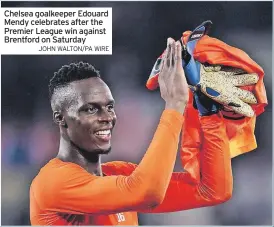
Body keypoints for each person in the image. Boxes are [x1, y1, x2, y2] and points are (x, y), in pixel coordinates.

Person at [30, 38, 232, 226]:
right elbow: (147, 192)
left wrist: (209, 110)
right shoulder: (53, 183)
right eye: (91, 109)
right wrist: (175, 104)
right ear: (60, 118)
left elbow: (212, 190)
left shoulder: (118, 175)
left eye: (109, 107)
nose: (107, 117)